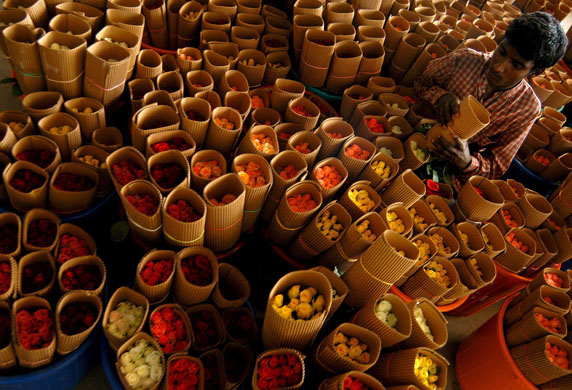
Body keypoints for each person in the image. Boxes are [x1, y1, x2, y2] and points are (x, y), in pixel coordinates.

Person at [413, 11, 568, 181]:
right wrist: (440, 97)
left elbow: (497, 166)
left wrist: (466, 162)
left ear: (535, 71)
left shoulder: (526, 109)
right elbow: (420, 83)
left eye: (516, 65)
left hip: (446, 170)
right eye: (502, 52)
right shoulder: (464, 61)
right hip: (415, 136)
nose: (499, 67)